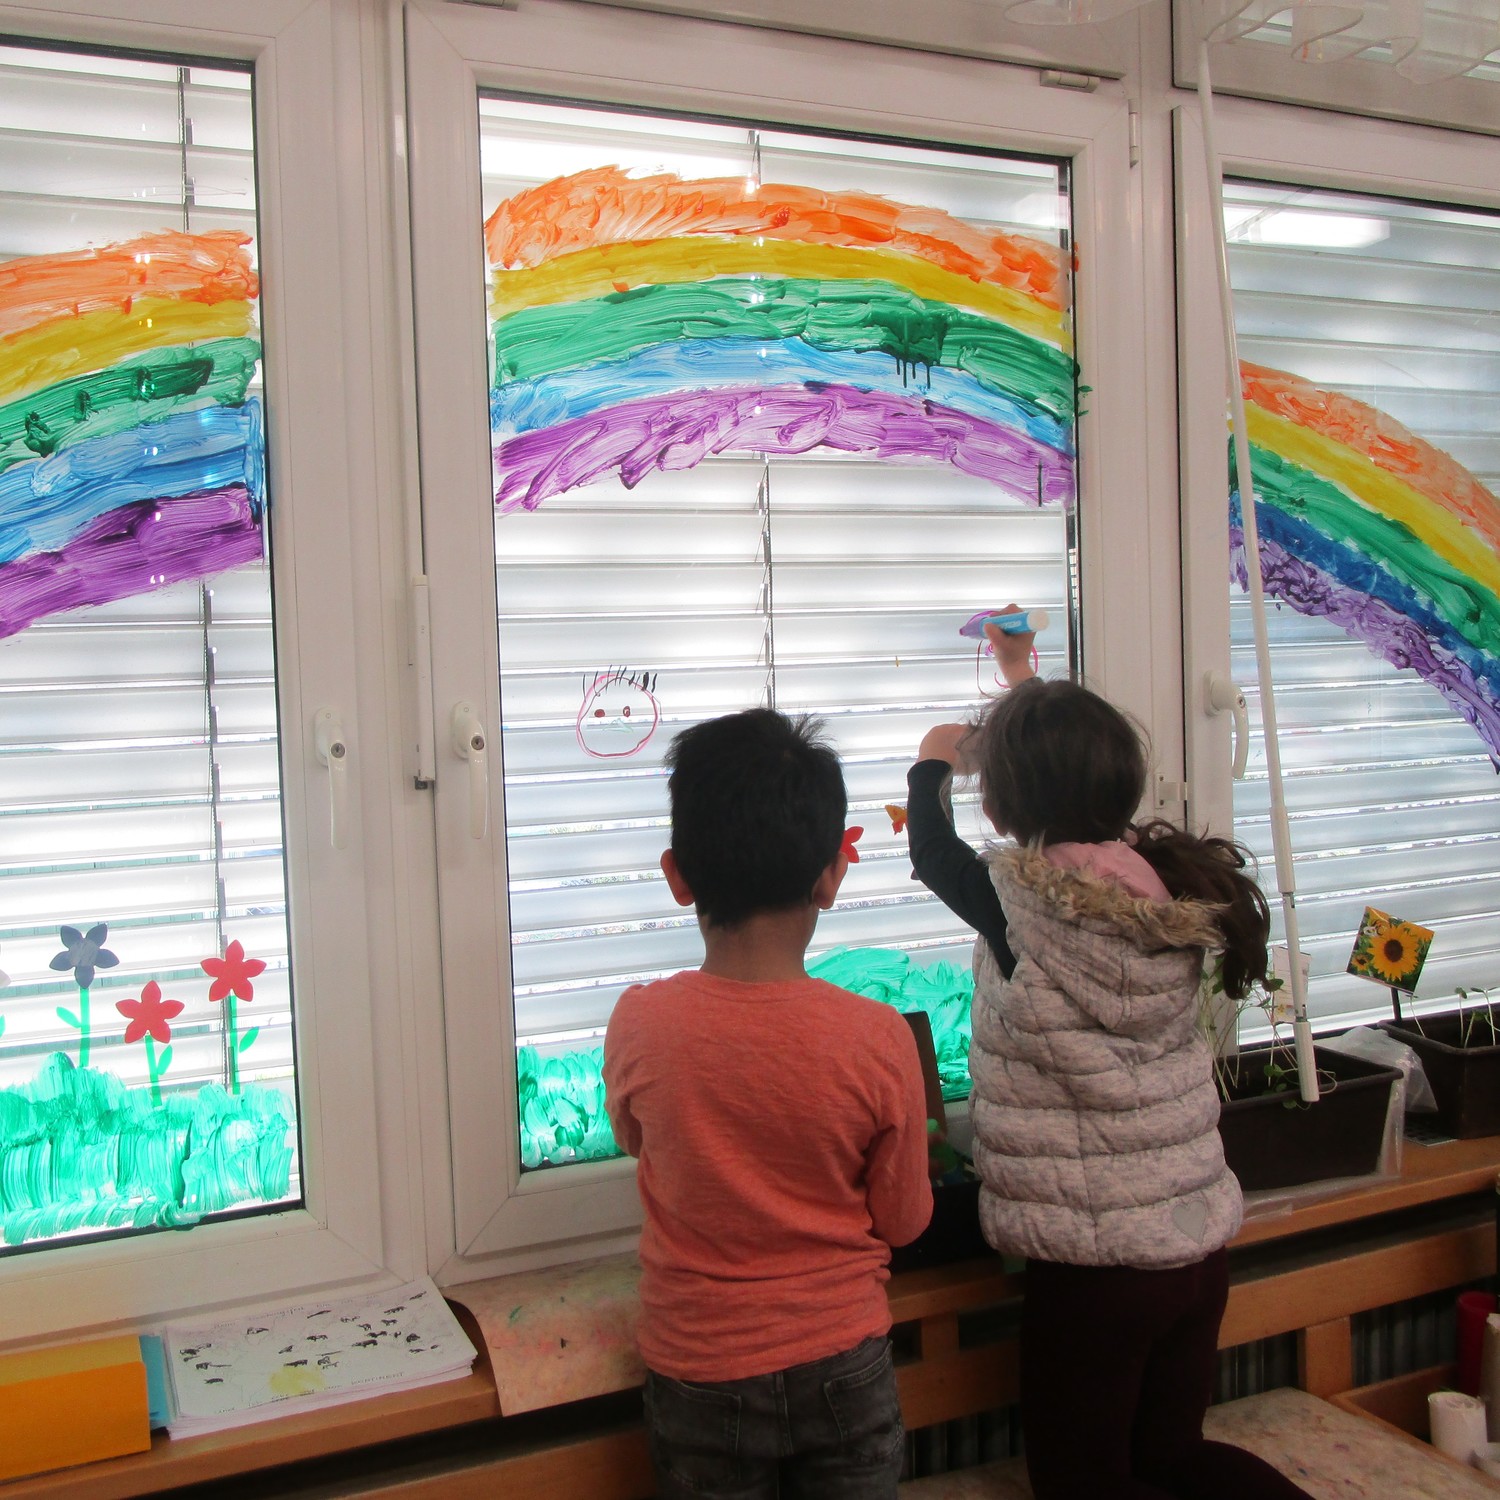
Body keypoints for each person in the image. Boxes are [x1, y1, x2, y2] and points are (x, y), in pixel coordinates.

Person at [906, 614, 1309, 1500]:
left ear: (999, 808)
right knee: (1174, 1459)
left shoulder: (1025, 909)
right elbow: (1060, 780)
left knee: (1081, 1482)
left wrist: (932, 761)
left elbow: (933, 853)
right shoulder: (1159, 886)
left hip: (1098, 1276)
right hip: (1195, 1252)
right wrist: (1021, 674)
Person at [604, 707, 934, 1500]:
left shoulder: (641, 1023)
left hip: (698, 1366)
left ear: (678, 876)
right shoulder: (879, 1037)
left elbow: (635, 1140)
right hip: (844, 1359)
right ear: (832, 874)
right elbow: (904, 1221)